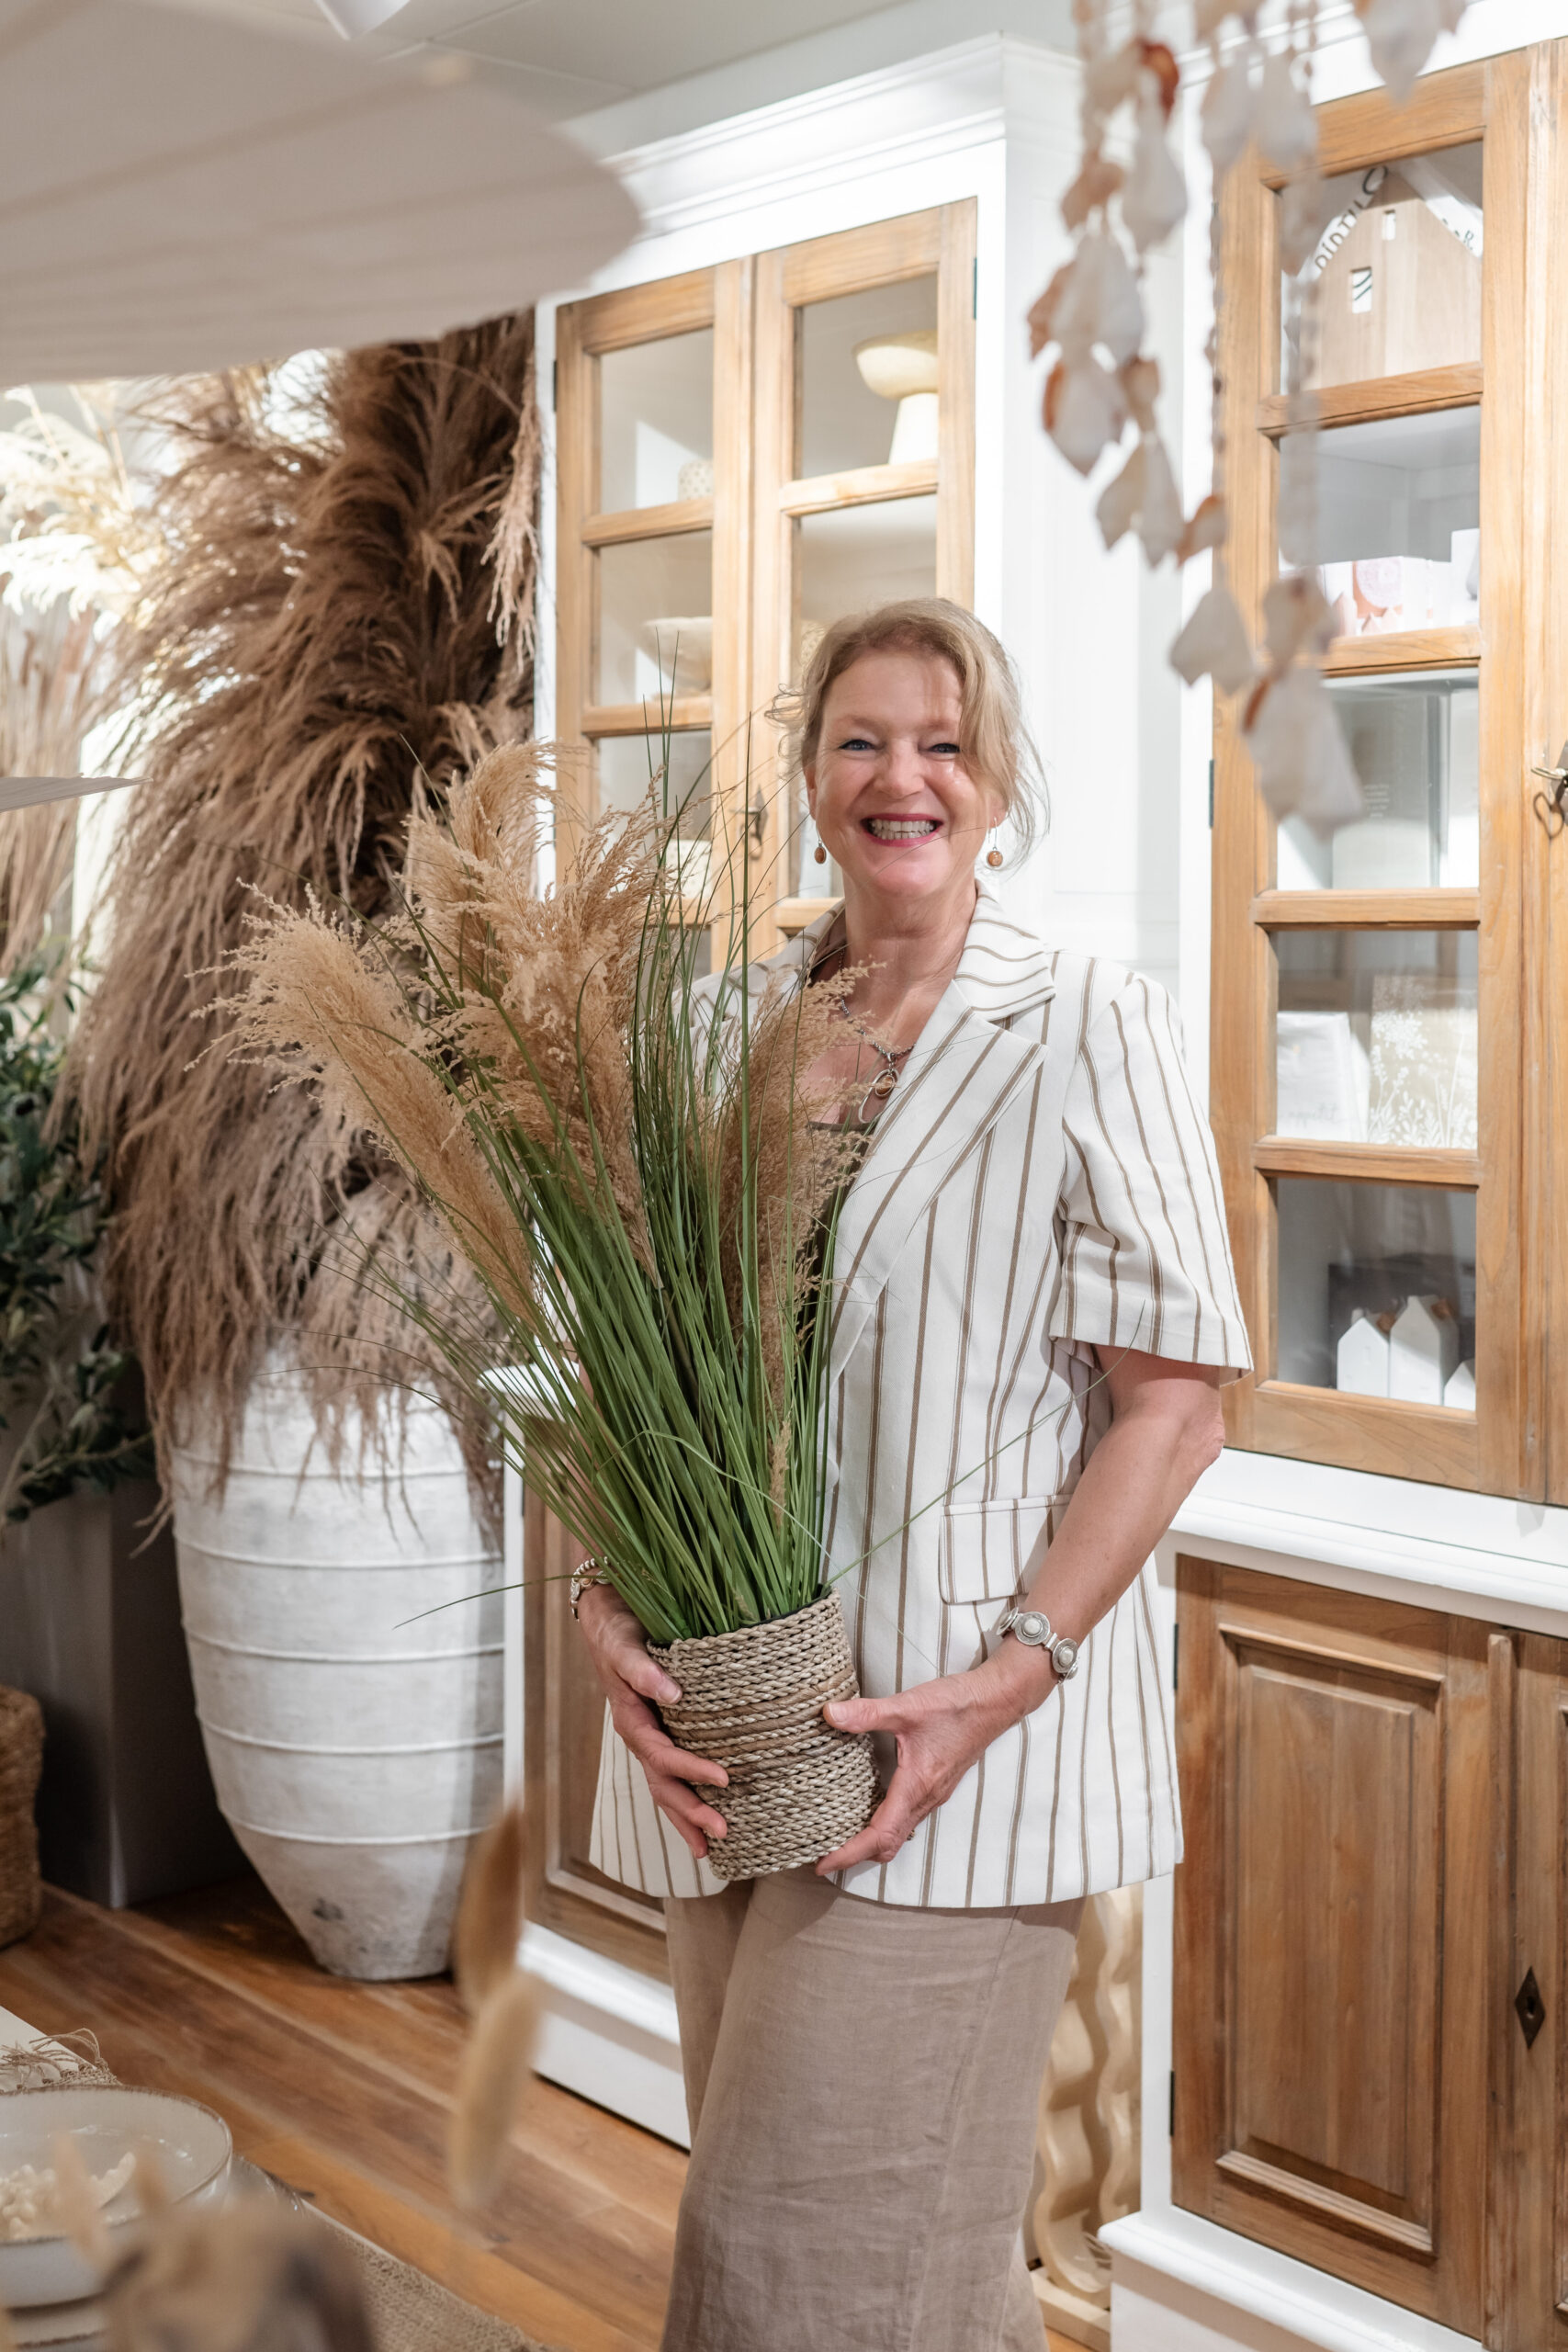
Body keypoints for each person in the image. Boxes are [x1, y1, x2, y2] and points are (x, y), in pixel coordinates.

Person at [573, 598, 1250, 2352]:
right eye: (863, 740)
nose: (905, 777)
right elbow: (638, 1378)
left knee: (789, 2278)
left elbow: (1177, 1403)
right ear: (809, 777)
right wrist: (602, 1610)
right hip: (730, 1746)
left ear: (998, 781)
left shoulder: (1085, 1019)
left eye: (945, 743)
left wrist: (1011, 1673)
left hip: (951, 1763)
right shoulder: (716, 1029)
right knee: (897, 2278)